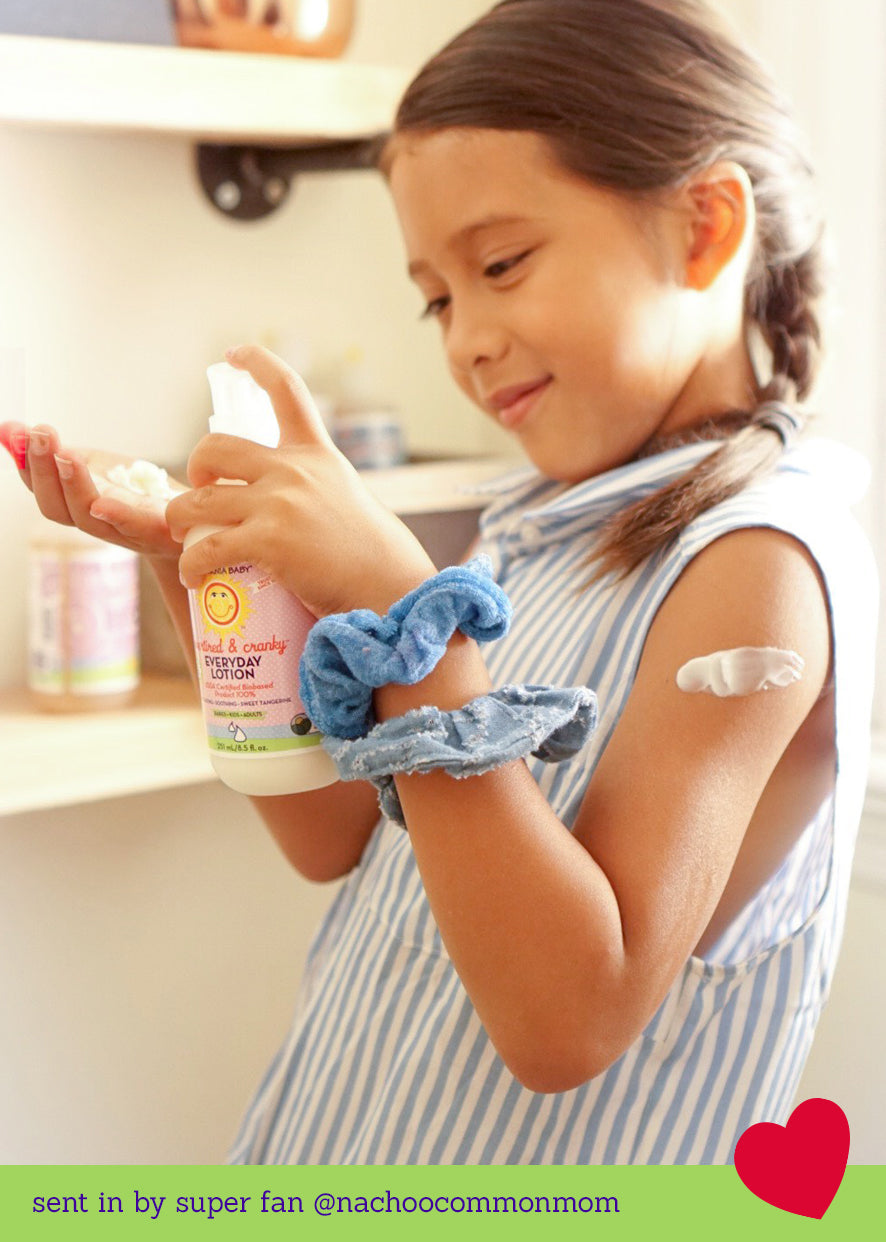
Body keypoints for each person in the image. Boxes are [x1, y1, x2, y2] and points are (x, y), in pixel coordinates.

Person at [0, 0, 877, 1165]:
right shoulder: (530, 531)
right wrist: (197, 560)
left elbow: (567, 1018)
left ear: (704, 227)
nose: (463, 341)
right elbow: (337, 833)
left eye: (501, 264)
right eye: (439, 298)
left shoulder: (755, 569)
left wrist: (404, 612)